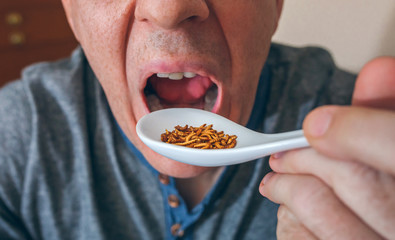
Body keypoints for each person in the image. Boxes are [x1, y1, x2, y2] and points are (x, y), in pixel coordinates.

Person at [0, 0, 393, 239]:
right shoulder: (16, 142)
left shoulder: (356, 131)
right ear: (72, 11)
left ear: (274, 6)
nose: (169, 9)